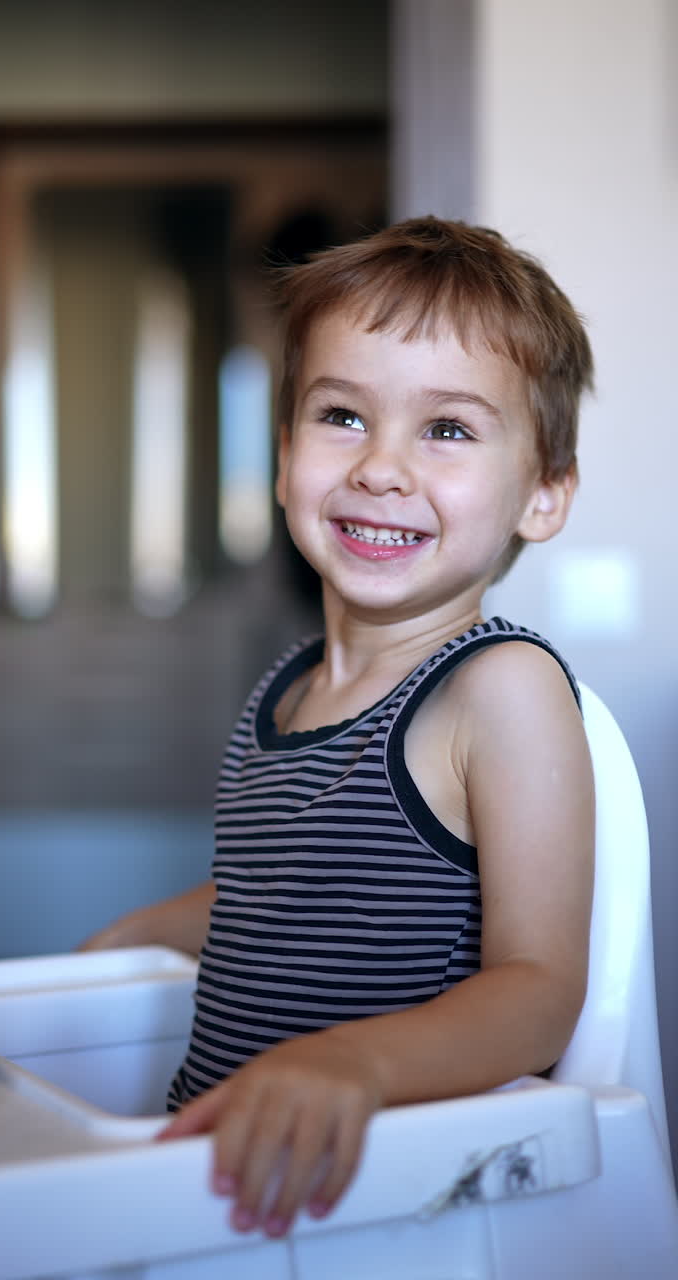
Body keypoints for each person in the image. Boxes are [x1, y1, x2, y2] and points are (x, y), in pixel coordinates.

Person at [81, 217, 595, 1241]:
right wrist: (117, 943)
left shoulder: (498, 688)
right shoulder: (285, 689)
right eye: (341, 416)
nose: (381, 467)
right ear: (282, 463)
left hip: (384, 1202)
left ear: (543, 495)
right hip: (223, 1173)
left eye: (446, 428)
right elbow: (281, 889)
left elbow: (538, 986)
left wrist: (355, 1060)